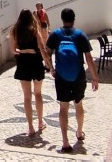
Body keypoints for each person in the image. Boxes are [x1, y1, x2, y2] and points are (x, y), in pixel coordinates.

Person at [45, 8, 99, 152]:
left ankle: (65, 142)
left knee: (63, 107)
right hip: (78, 76)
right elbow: (89, 59)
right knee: (78, 105)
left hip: (61, 76)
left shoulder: (55, 34)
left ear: (62, 19)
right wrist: (94, 77)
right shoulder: (80, 35)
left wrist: (51, 68)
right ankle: (79, 132)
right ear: (74, 19)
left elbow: (46, 53)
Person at [9, 9, 52, 137]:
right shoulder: (35, 30)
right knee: (38, 93)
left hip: (23, 62)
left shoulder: (16, 31)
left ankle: (30, 127)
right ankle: (40, 122)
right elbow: (42, 48)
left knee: (27, 97)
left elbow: (13, 50)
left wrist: (21, 51)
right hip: (35, 61)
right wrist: (49, 64)